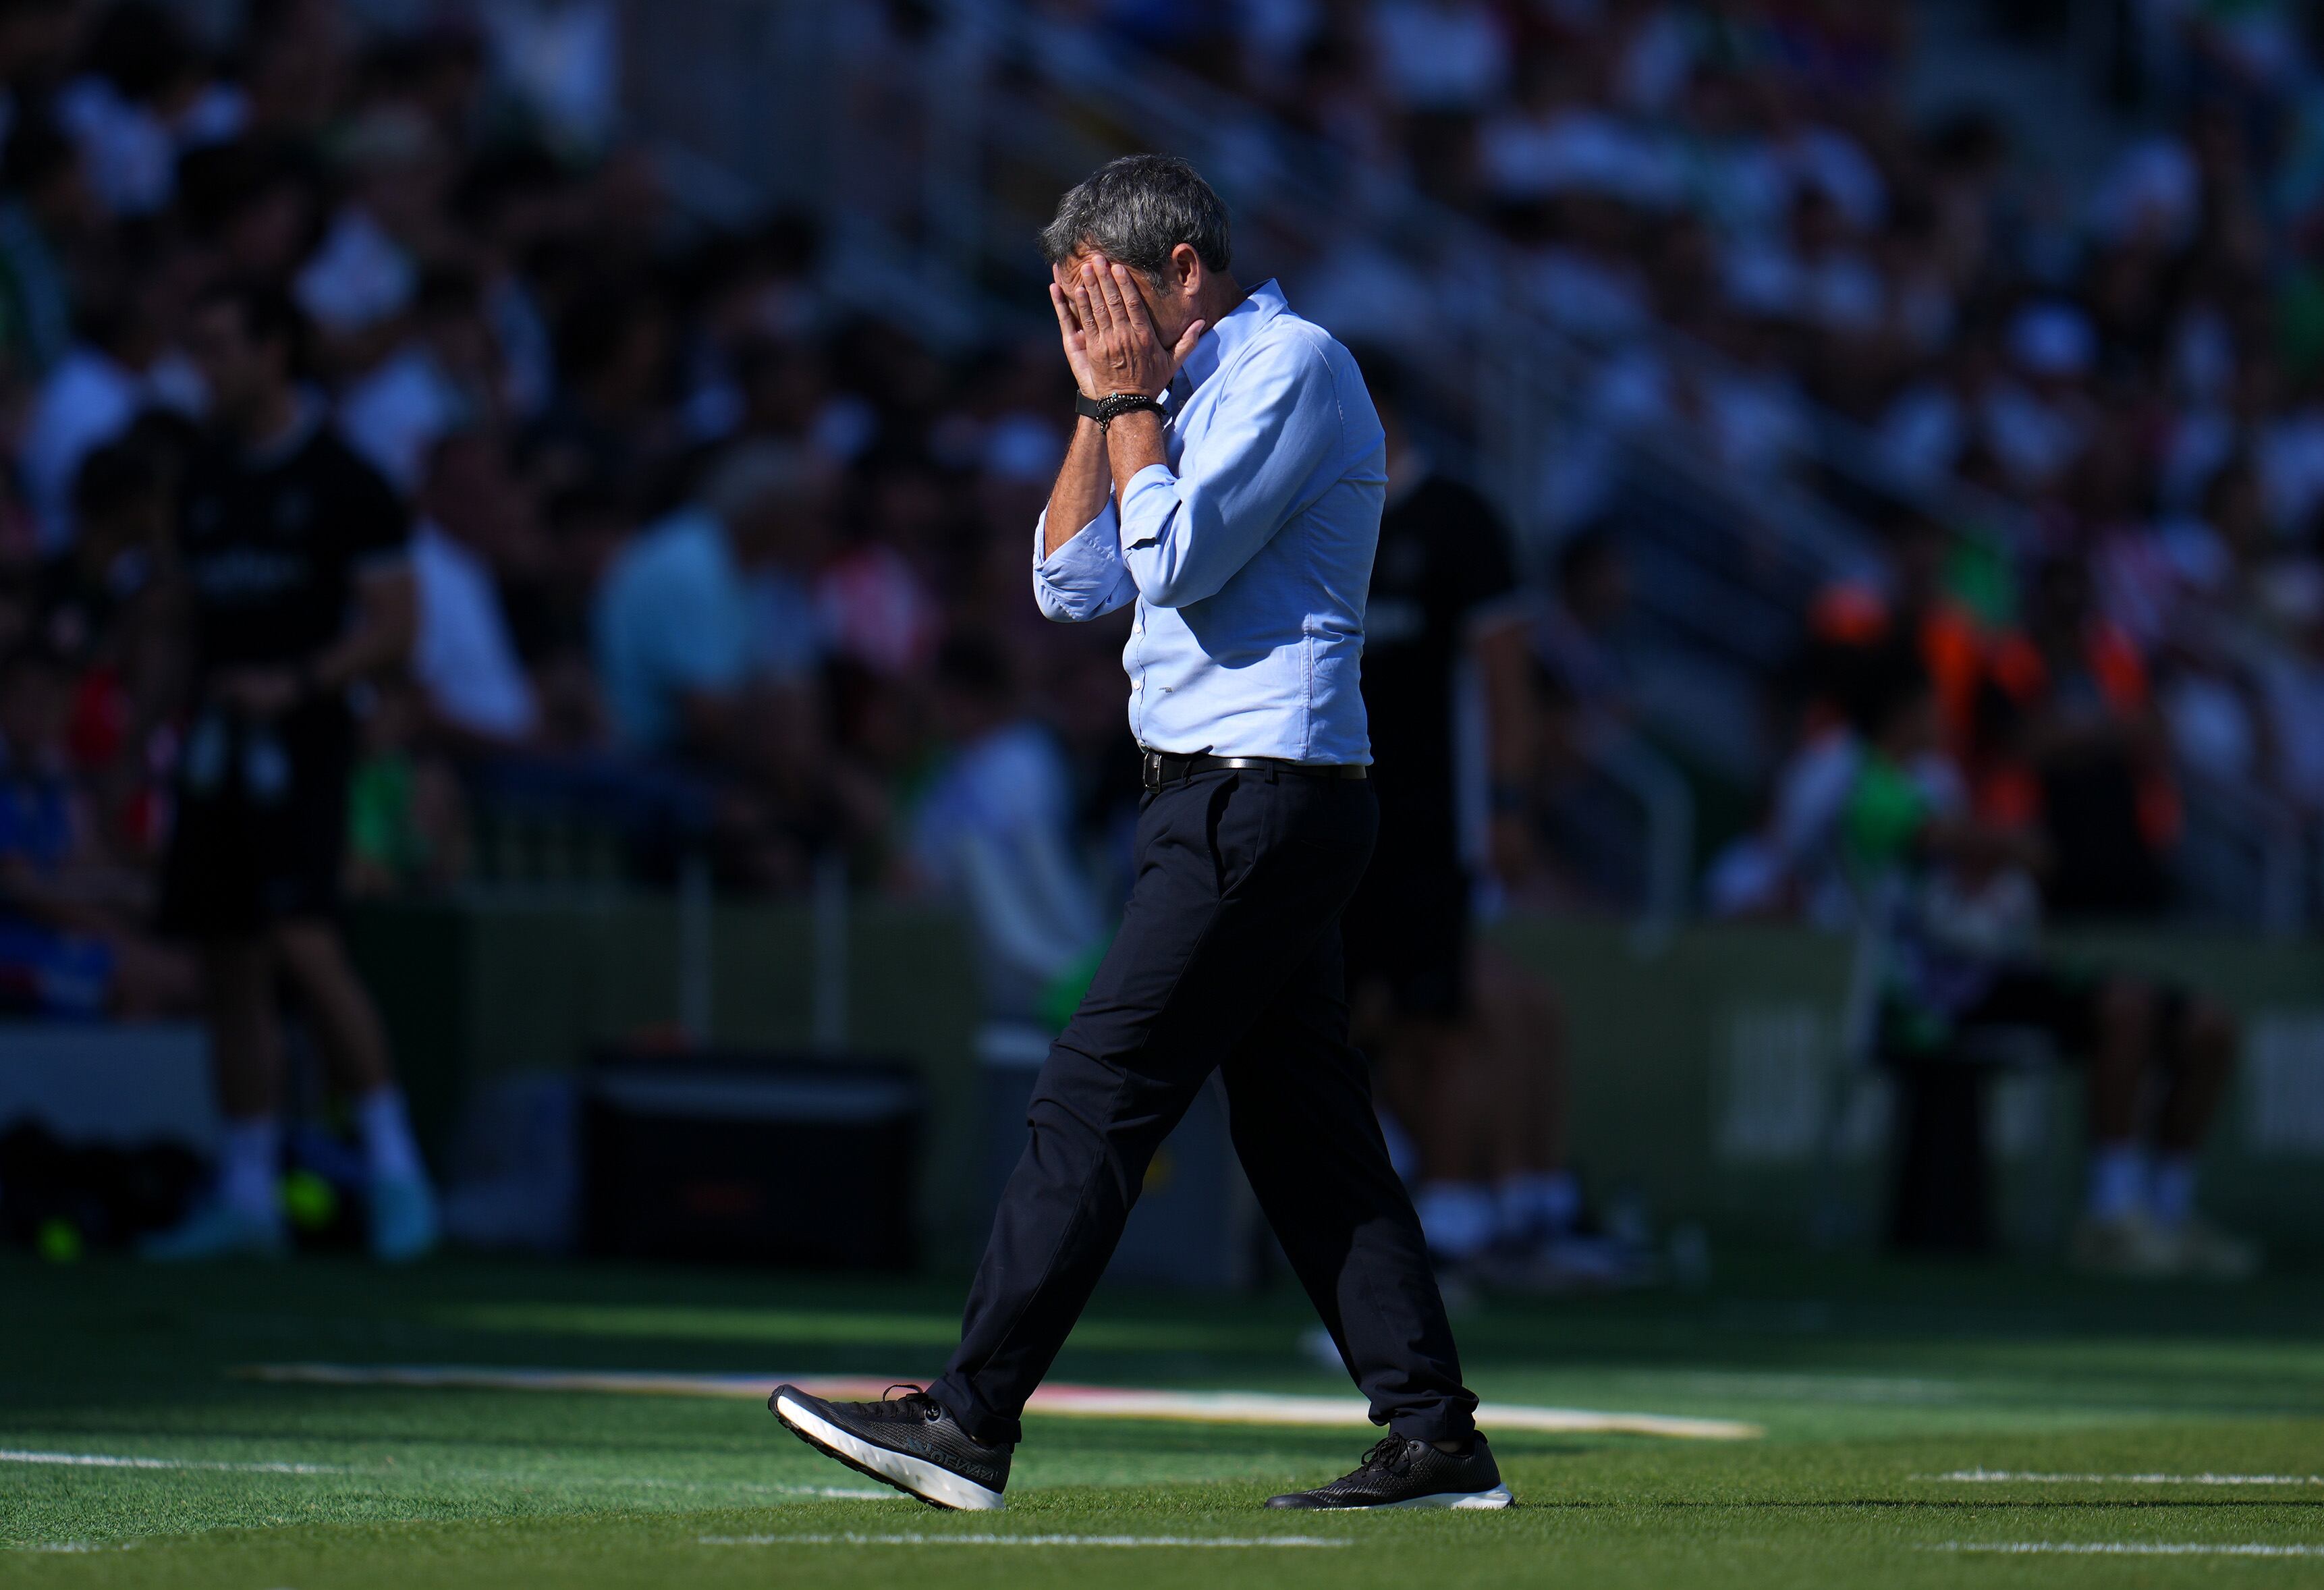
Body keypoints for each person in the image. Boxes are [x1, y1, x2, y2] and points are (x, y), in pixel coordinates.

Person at [769, 155, 1505, 1513]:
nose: (1094, 328)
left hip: (1260, 786)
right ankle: (1435, 1430)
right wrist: (1100, 404)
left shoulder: (1294, 364)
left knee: (1095, 1090)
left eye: (1106, 296)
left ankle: (970, 1415)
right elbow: (1068, 578)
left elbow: (1172, 561)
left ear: (1181, 271)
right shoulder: (1168, 390)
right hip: (1225, 793)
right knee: (1306, 1131)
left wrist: (1122, 401)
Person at [140, 280, 437, 1263]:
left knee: (307, 948)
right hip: (215, 751)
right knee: (230, 959)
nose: (207, 367)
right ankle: (246, 1190)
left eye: (223, 343)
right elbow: (182, 615)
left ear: (275, 352)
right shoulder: (206, 478)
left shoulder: (347, 478)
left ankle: (398, 1174)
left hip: (305, 751)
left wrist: (299, 680)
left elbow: (396, 624)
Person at [1842, 647, 2253, 1279]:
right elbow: (1980, 844)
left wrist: (2000, 851)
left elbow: (2008, 853)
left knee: (2210, 1026)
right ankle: (2111, 1219)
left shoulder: (1939, 782)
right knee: (2125, 1006)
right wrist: (2002, 846)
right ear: (1903, 713)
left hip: (2000, 968)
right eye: (1931, 706)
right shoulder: (1871, 787)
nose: (1940, 719)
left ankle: (2171, 1215)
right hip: (1936, 996)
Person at [1338, 355, 1589, 1278]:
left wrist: (1509, 802)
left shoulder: (1458, 519)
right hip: (1329, 810)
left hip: (1434, 818)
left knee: (1437, 1013)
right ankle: (1408, 1193)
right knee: (1344, 1014)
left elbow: (1504, 677)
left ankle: (1452, 1209)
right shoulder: (1320, 512)